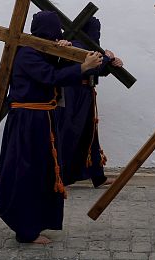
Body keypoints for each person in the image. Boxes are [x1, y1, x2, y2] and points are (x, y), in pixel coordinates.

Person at [0, 10, 103, 244]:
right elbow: (49, 77)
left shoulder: (38, 50)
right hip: (28, 122)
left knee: (43, 173)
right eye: (54, 33)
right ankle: (25, 229)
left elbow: (51, 66)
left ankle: (35, 224)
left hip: (42, 120)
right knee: (27, 173)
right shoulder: (26, 53)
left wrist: (59, 52)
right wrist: (82, 68)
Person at [55, 17, 123, 188]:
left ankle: (97, 176)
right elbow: (92, 66)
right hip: (72, 94)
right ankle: (61, 176)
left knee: (89, 133)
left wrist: (114, 63)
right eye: (95, 29)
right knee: (70, 132)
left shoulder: (91, 46)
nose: (97, 33)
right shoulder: (76, 46)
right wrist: (107, 58)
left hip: (85, 94)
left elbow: (98, 71)